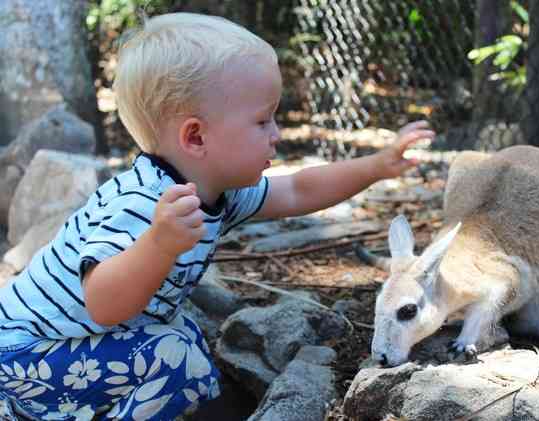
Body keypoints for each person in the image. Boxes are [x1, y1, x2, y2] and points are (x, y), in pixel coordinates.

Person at [0, 12, 435, 421]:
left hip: (58, 354)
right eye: (263, 121)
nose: (277, 134)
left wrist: (376, 166)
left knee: (185, 340)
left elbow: (299, 189)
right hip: (20, 358)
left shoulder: (218, 191)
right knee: (176, 356)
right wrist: (158, 244)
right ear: (195, 137)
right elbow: (104, 303)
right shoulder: (142, 204)